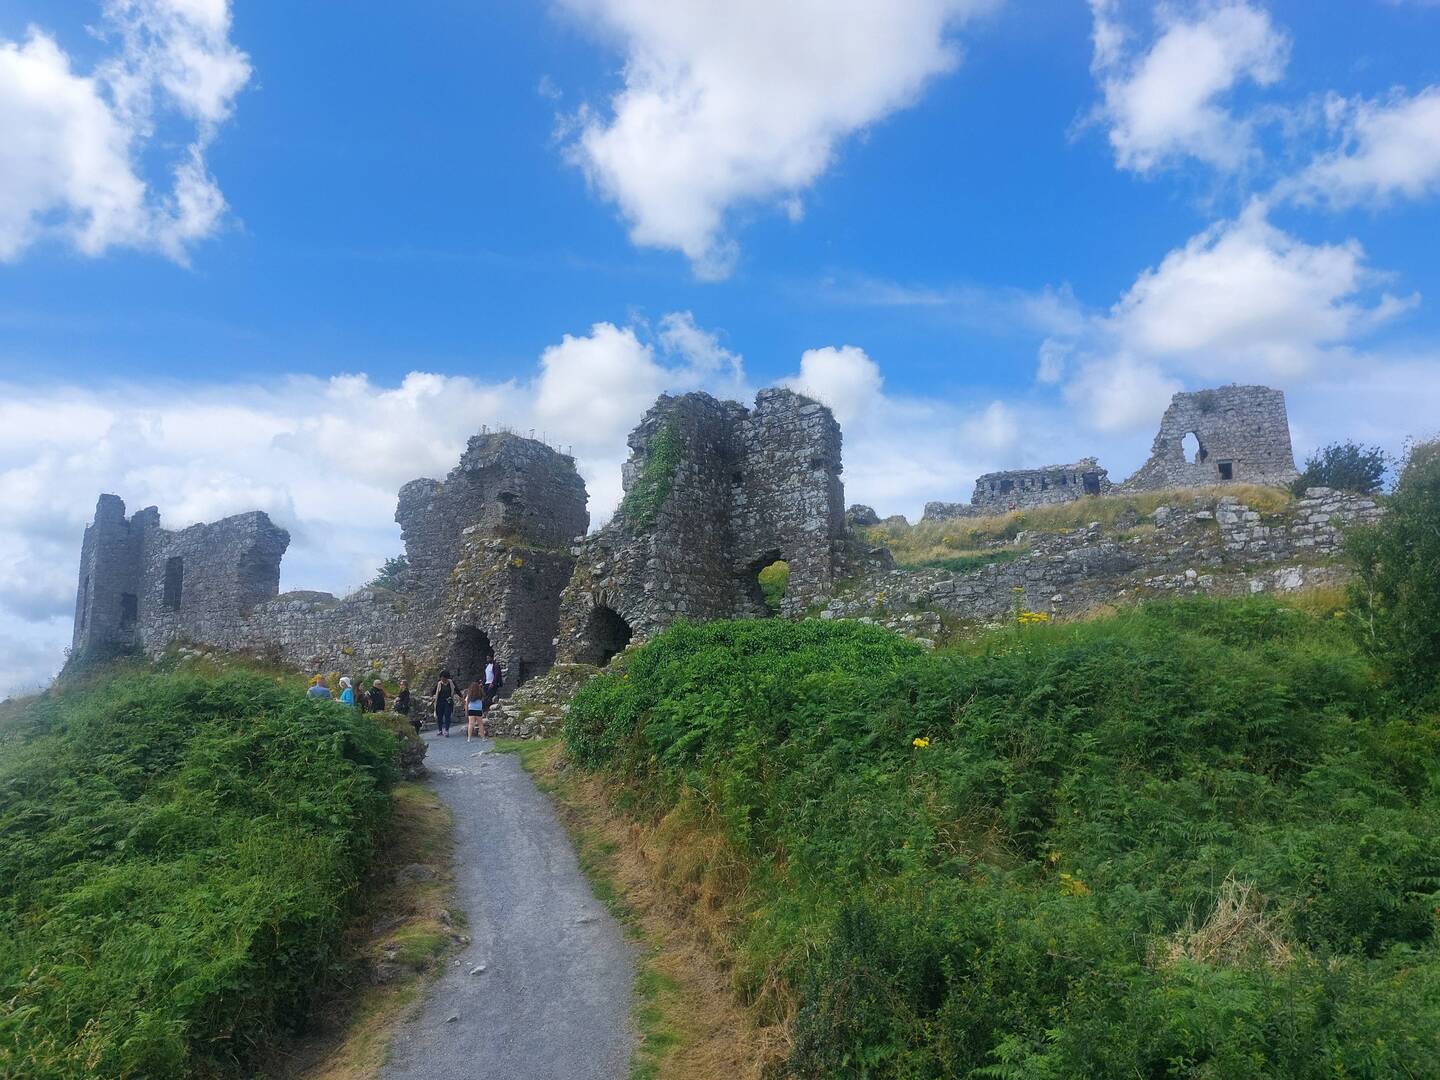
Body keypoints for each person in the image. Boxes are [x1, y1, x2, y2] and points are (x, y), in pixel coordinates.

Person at [434, 670, 455, 736]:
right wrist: (433, 696)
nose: (442, 679)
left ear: (447, 678)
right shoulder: (439, 683)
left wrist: (461, 697)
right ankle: (440, 730)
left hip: (448, 701)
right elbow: (434, 691)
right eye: (441, 678)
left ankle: (446, 730)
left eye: (443, 678)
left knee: (447, 715)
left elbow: (455, 689)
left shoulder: (451, 683)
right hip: (440, 701)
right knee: (439, 716)